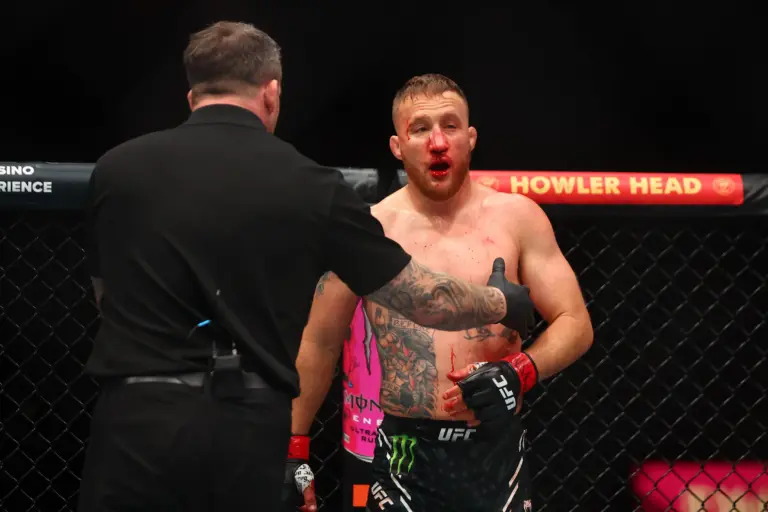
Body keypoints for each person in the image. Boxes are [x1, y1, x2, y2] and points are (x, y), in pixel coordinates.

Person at [77, 22, 534, 512]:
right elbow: (418, 297)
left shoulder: (116, 170)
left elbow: (106, 296)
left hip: (133, 419)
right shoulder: (311, 186)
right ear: (271, 94)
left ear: (192, 95)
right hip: (245, 421)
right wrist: (501, 301)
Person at [290, 74, 594, 512]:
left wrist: (519, 371)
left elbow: (575, 323)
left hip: (496, 451)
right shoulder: (372, 231)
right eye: (420, 129)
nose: (437, 142)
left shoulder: (517, 218)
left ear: (470, 138)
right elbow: (318, 344)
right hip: (404, 455)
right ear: (398, 146)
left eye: (450, 126)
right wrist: (294, 452)